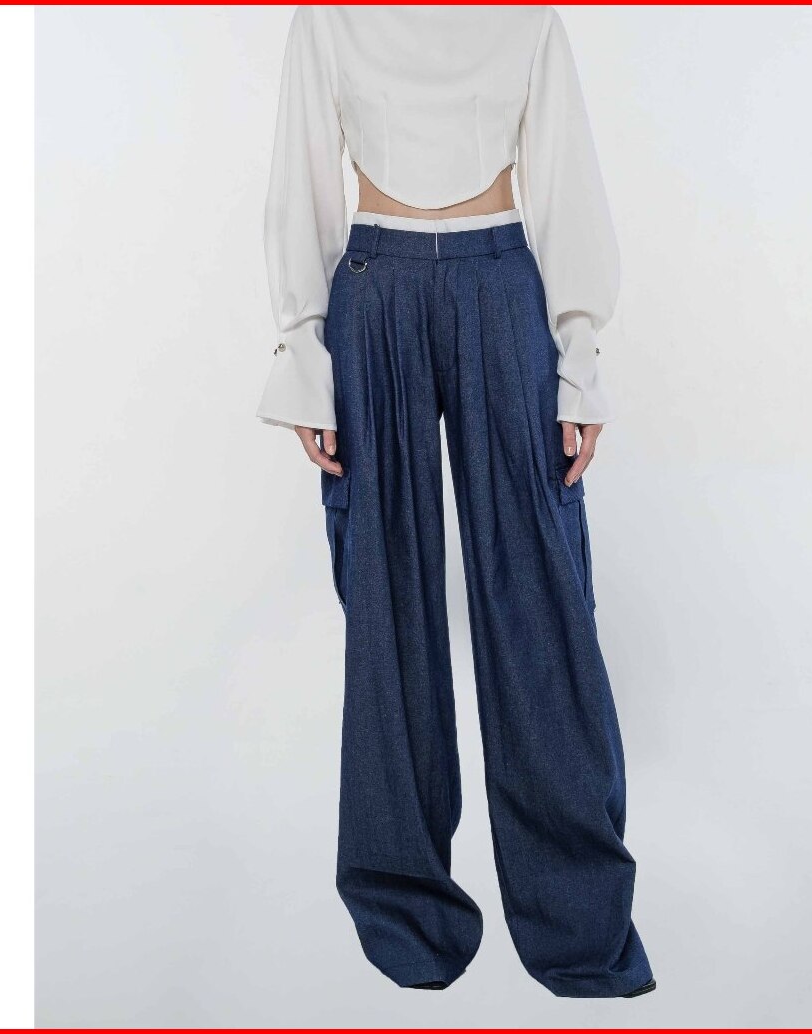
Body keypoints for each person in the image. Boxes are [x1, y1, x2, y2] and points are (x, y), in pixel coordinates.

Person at [256, 5, 654, 999]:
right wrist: (303, 353)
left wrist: (579, 357)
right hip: (374, 280)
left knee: (538, 593)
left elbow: (564, 175)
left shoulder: (527, 19)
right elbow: (302, 180)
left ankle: (576, 920)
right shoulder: (329, 19)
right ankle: (407, 912)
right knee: (384, 597)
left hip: (502, 279)